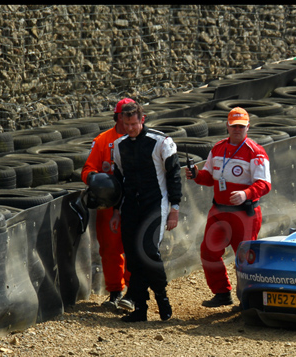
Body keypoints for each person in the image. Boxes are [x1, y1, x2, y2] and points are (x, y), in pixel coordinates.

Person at [186, 107, 271, 307]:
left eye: (241, 126)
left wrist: (245, 194)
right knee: (208, 251)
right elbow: (209, 177)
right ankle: (222, 293)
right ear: (227, 126)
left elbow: (264, 184)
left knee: (245, 259)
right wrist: (197, 175)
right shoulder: (217, 148)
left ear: (248, 127)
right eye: (234, 126)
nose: (237, 129)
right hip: (219, 211)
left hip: (245, 214)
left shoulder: (256, 151)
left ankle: (248, 298)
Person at [109, 101, 182, 322]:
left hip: (155, 206)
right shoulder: (119, 145)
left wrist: (174, 209)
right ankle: (140, 308)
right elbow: (118, 181)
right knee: (132, 257)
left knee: (149, 253)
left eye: (133, 123)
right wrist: (115, 211)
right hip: (130, 206)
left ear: (143, 119)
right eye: (126, 123)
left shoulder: (161, 142)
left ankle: (162, 297)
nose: (130, 128)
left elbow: (174, 176)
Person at [81, 98, 134, 310]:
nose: (128, 120)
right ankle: (114, 293)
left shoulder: (141, 139)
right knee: (110, 250)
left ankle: (133, 292)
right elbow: (87, 170)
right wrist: (96, 180)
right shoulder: (103, 140)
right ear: (118, 116)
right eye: (125, 115)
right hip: (109, 205)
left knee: (134, 248)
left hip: (133, 203)